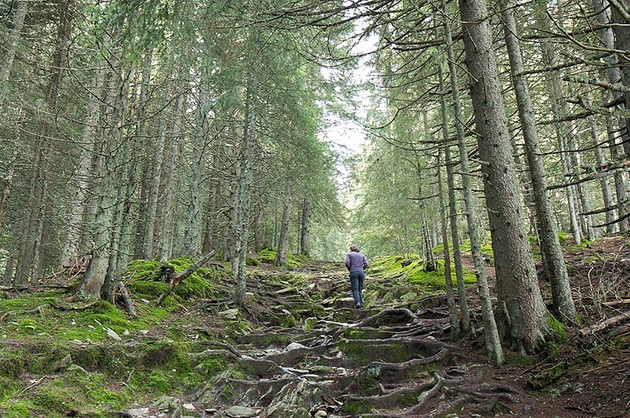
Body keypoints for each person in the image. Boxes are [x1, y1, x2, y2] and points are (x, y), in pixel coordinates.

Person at [344, 245, 368, 310]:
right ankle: (361, 305)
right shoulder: (362, 255)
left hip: (353, 272)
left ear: (351, 249)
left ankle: (357, 303)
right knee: (360, 289)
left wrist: (350, 268)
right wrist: (362, 269)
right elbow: (366, 264)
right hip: (361, 272)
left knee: (355, 288)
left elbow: (346, 262)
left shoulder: (349, 255)